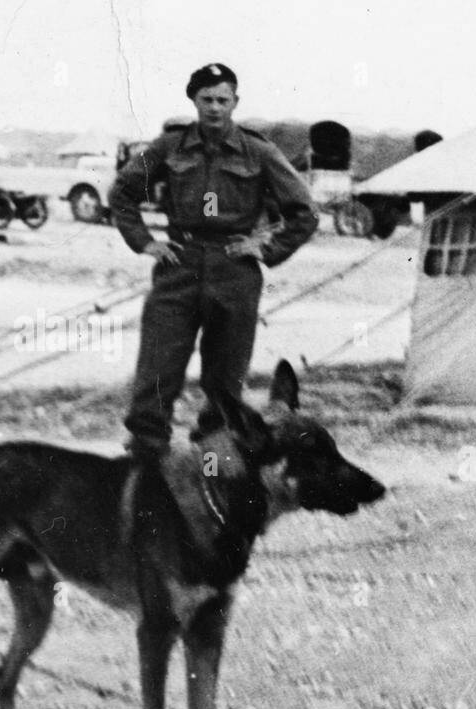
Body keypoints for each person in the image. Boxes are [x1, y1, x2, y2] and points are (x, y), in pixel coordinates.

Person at [109, 62, 319, 460]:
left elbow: (305, 212)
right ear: (194, 100)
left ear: (235, 102)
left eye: (223, 99)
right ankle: (146, 454)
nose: (215, 108)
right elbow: (122, 193)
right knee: (158, 365)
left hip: (233, 270)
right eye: (207, 99)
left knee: (225, 374)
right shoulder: (168, 147)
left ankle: (213, 456)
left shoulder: (258, 151)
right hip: (179, 265)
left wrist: (266, 249)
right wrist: (144, 242)